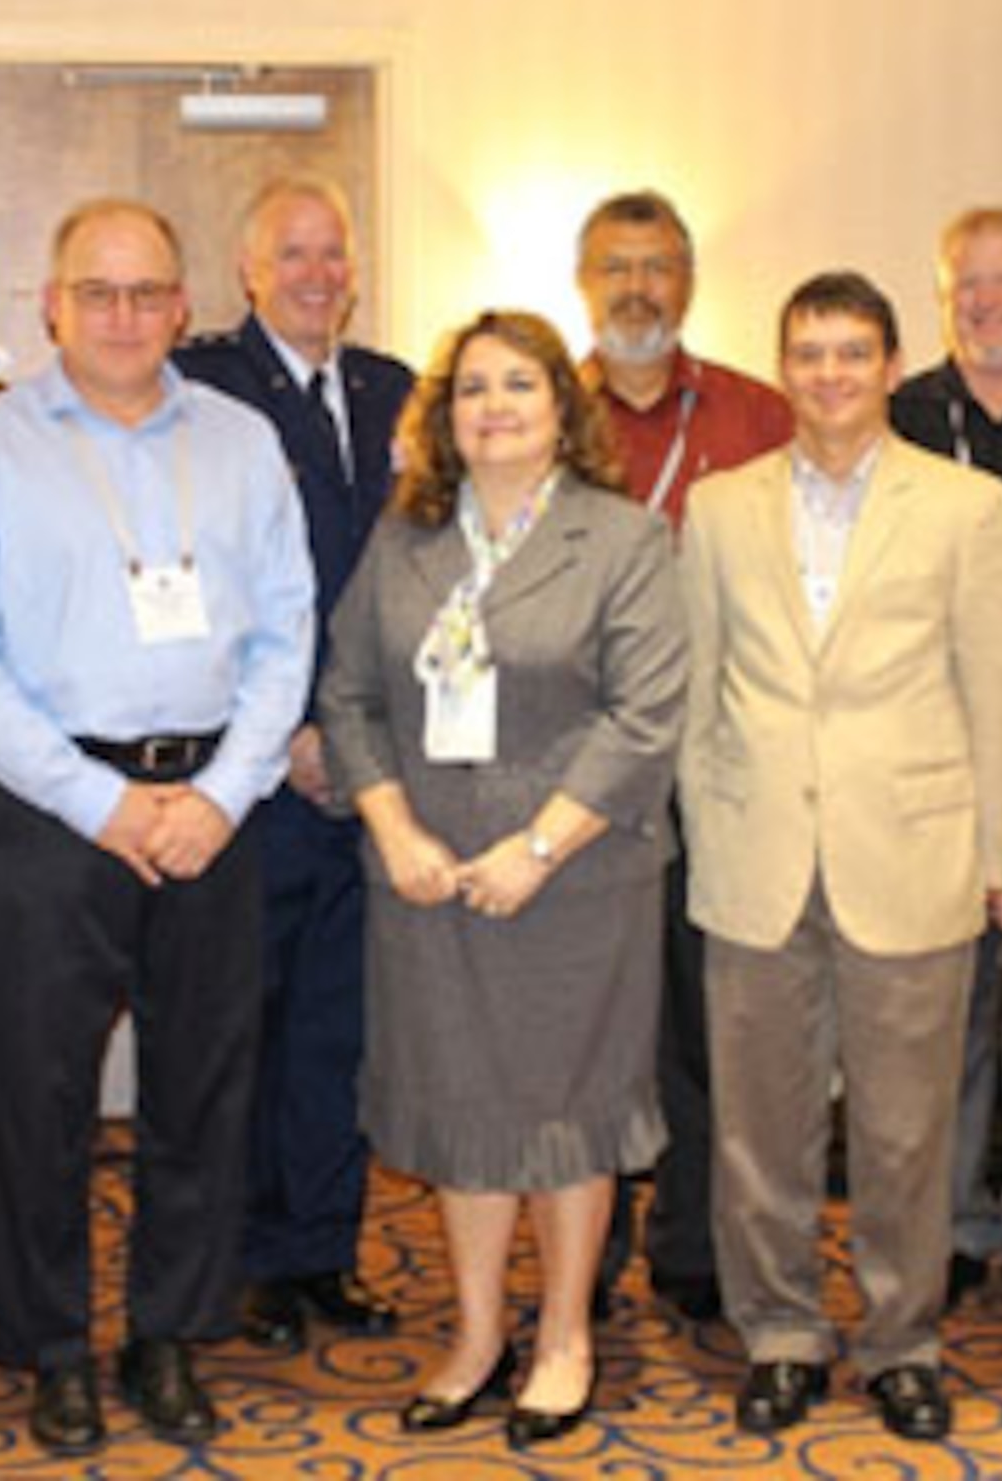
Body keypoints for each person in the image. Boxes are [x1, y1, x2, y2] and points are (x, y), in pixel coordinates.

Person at [0, 199, 315, 1456]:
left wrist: (220, 792)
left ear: (183, 308)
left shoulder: (245, 443)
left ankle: (164, 1336)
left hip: (210, 811)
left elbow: (285, 634)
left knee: (203, 1088)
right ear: (50, 303)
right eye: (98, 293)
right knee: (35, 1099)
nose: (124, 317)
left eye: (147, 294)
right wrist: (98, 802)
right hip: (48, 812)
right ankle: (56, 1352)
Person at [319, 309, 685, 1451]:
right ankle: (476, 1334)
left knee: (566, 1113)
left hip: (574, 885)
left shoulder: (622, 540)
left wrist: (535, 847)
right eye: (470, 388)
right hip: (428, 881)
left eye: (517, 385)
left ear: (560, 410)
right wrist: (390, 827)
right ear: (443, 417)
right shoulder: (403, 538)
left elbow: (643, 717)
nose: (491, 407)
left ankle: (565, 1334)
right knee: (462, 1110)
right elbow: (347, 697)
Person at [679, 272, 1002, 1442]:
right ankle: (779, 1328)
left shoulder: (964, 505)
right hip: (756, 856)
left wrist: (994, 853)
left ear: (891, 365)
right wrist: (704, 830)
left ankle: (900, 1339)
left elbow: (997, 686)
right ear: (782, 368)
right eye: (807, 353)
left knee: (903, 1129)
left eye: (851, 353)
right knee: (758, 1126)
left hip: (911, 856)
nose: (828, 374)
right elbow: (695, 685)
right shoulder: (720, 505)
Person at [174, 176, 414, 1354]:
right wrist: (288, 731)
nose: (317, 273)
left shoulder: (394, 392)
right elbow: (207, 581)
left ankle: (322, 1250)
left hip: (370, 775)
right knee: (244, 1027)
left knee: (337, 1030)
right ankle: (237, 1261)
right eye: (292, 254)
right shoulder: (204, 390)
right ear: (247, 271)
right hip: (253, 771)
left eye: (334, 253)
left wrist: (356, 734)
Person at [575, 188, 792, 1326]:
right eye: (615, 267)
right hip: (584, 771)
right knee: (598, 1021)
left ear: (689, 281)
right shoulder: (537, 409)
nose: (636, 289)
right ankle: (586, 1252)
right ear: (582, 281)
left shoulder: (759, 416)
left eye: (657, 266)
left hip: (721, 762)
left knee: (711, 1023)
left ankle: (696, 1244)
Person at [891, 206, 1002, 1313]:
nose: (986, 304)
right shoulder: (902, 414)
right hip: (930, 752)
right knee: (940, 1019)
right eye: (966, 286)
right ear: (940, 294)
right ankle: (947, 1228)